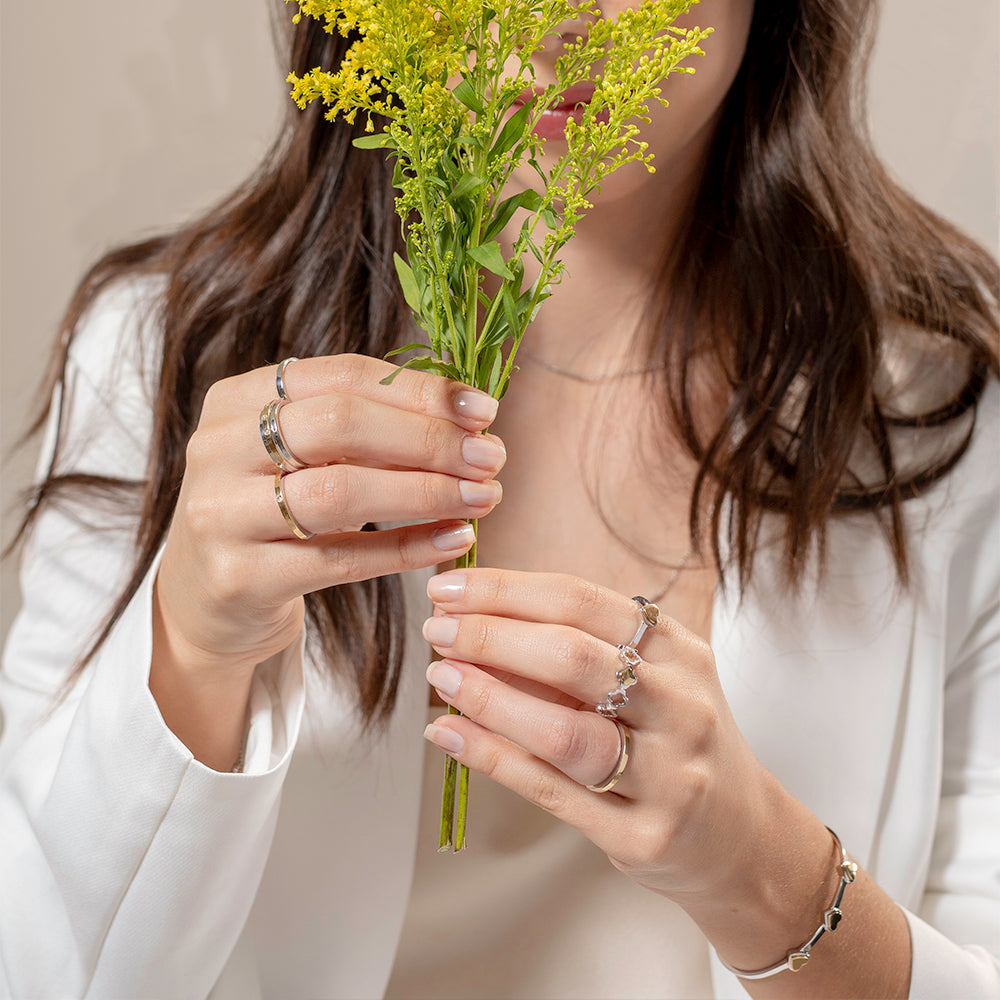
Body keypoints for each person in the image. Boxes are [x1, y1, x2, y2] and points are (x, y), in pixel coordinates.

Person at [1, 0, 997, 997]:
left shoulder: (944, 418)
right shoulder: (159, 365)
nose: (562, 18)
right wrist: (189, 649)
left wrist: (764, 874)